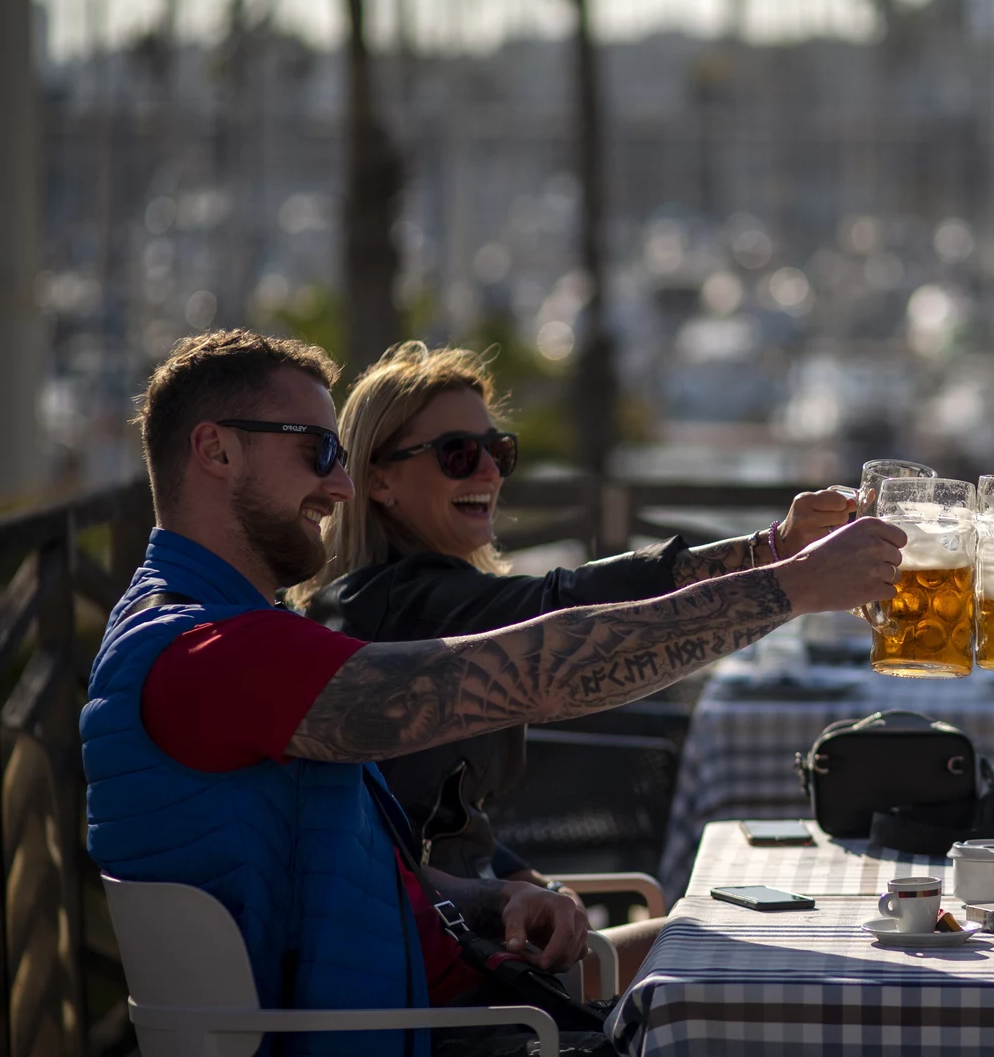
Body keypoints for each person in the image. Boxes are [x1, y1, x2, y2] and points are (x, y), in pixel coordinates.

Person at [82, 329, 903, 1057]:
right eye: (316, 451)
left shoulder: (214, 629)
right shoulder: (205, 651)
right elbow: (542, 659)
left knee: (780, 967)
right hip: (452, 1031)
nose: (335, 485)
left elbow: (354, 863)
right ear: (216, 451)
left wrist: (489, 895)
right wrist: (786, 586)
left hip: (471, 999)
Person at [289, 341, 853, 990]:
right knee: (751, 957)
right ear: (378, 478)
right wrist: (784, 568)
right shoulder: (402, 606)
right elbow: (569, 604)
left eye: (498, 452)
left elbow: (437, 821)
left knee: (738, 941)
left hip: (474, 946)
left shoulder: (391, 597)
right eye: (458, 454)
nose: (488, 473)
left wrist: (531, 882)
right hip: (448, 979)